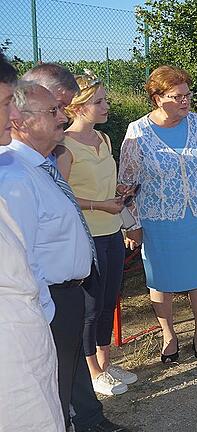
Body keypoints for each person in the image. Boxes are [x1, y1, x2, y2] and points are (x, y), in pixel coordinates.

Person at [0, 81, 128, 431]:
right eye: (53, 111)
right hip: (47, 300)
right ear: (21, 120)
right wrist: (47, 308)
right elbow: (23, 256)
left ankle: (88, 420)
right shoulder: (14, 177)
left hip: (67, 292)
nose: (62, 117)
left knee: (70, 372)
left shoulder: (43, 164)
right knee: (50, 388)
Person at [119, 66, 197, 363]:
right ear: (157, 98)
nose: (186, 101)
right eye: (177, 96)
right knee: (160, 279)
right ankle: (169, 335)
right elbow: (126, 182)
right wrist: (133, 224)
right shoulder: (137, 131)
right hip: (157, 218)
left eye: (188, 94)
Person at [57, 73, 138, 395]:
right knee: (90, 307)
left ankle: (105, 362)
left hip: (111, 231)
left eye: (105, 100)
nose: (106, 106)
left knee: (108, 301)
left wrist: (118, 192)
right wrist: (99, 205)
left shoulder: (103, 140)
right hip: (86, 236)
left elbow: (104, 184)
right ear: (77, 107)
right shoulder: (63, 146)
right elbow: (60, 196)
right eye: (99, 102)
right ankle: (91, 371)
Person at [0, 52, 65, 432]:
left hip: (26, 331)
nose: (13, 116)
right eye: (7, 103)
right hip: (13, 351)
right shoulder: (14, 174)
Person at [21, 62, 80, 165]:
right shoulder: (11, 168)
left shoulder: (46, 158)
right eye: (55, 108)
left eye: (63, 108)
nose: (64, 118)